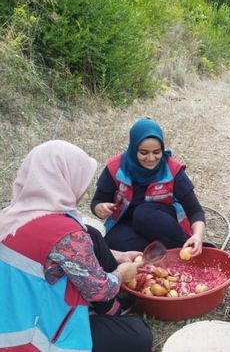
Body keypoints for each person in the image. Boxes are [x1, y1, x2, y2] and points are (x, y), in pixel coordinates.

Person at [0, 140, 152, 352]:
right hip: (36, 338)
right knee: (140, 335)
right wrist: (122, 273)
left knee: (92, 233)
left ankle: (108, 311)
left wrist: (117, 255)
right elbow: (100, 290)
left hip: (13, 317)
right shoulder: (66, 235)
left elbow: (57, 256)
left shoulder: (13, 216)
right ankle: (107, 312)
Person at [91, 117, 207, 254]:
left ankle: (184, 246)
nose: (151, 159)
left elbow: (195, 210)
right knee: (112, 242)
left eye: (157, 152)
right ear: (133, 149)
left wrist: (197, 236)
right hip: (128, 223)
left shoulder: (172, 169)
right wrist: (100, 208)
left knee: (143, 213)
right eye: (144, 153)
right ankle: (162, 255)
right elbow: (96, 202)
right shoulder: (116, 168)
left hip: (162, 224)